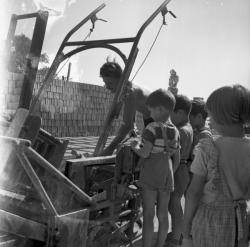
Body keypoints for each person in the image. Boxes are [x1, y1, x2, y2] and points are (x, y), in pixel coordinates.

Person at [182, 84, 250, 247]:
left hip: (210, 220)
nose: (209, 121)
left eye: (211, 116)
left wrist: (186, 227)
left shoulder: (207, 148)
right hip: (240, 221)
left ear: (224, 116)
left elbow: (194, 192)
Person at [130, 89, 180, 247]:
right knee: (163, 214)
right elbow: (174, 155)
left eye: (151, 109)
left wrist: (134, 146)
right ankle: (160, 245)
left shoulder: (151, 128)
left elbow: (145, 153)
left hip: (151, 173)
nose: (149, 113)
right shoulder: (175, 131)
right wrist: (170, 173)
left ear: (160, 109)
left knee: (149, 213)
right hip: (167, 172)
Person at [99, 61, 152, 156]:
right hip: (149, 119)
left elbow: (127, 126)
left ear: (120, 79)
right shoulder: (126, 90)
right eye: (105, 83)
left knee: (150, 154)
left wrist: (109, 149)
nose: (107, 87)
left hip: (157, 119)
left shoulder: (130, 92)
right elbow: (131, 122)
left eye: (110, 83)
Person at [167, 94, 193, 247]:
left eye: (171, 113)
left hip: (177, 169)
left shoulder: (181, 131)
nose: (169, 117)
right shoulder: (187, 128)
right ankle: (178, 233)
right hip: (182, 169)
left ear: (181, 113)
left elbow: (171, 152)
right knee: (174, 203)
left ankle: (176, 238)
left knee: (173, 204)